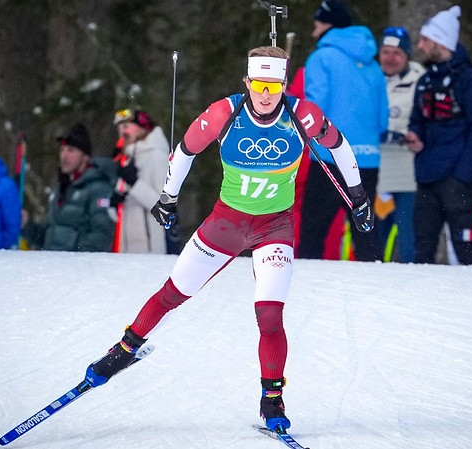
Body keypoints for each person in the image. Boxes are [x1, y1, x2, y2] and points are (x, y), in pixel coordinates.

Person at [83, 46, 374, 433]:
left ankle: (272, 398)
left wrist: (358, 197)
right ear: (247, 82)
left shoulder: (302, 115)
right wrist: (168, 197)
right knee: (173, 293)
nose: (266, 94)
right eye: (259, 84)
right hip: (226, 223)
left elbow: (339, 146)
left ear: (284, 84)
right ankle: (123, 350)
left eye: (274, 85)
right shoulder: (225, 112)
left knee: (269, 314)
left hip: (275, 227)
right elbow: (185, 151)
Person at [296, 0, 388, 262]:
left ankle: (305, 282)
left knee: (314, 228)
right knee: (365, 229)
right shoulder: (373, 64)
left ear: (327, 24)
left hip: (330, 155)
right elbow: (382, 119)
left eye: (317, 22)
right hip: (368, 158)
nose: (314, 27)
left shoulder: (321, 58)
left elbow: (316, 108)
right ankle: (373, 285)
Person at [404, 6, 472, 265]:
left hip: (458, 177)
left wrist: (465, 172)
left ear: (441, 42)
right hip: (427, 176)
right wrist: (415, 136)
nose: (420, 46)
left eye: (425, 40)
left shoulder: (471, 80)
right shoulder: (425, 80)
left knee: (465, 246)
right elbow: (417, 119)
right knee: (423, 246)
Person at [22, 123, 117, 252]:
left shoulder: (99, 189)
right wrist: (27, 226)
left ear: (85, 157)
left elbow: (102, 238)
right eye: (62, 150)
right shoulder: (60, 188)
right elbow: (50, 237)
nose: (64, 156)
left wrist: (71, 262)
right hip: (55, 267)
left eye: (71, 150)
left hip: (76, 269)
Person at [375, 26, 426, 263]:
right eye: (385, 52)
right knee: (374, 242)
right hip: (376, 174)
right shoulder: (372, 79)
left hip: (408, 175)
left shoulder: (420, 81)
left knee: (409, 242)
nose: (390, 58)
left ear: (407, 56)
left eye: (396, 53)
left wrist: (407, 135)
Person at [111, 108, 170, 254]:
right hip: (127, 251)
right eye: (119, 128)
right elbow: (116, 212)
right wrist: (113, 203)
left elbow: (164, 207)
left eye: (126, 126)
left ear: (142, 126)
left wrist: (134, 183)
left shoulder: (157, 155)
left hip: (150, 251)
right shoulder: (128, 156)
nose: (122, 132)